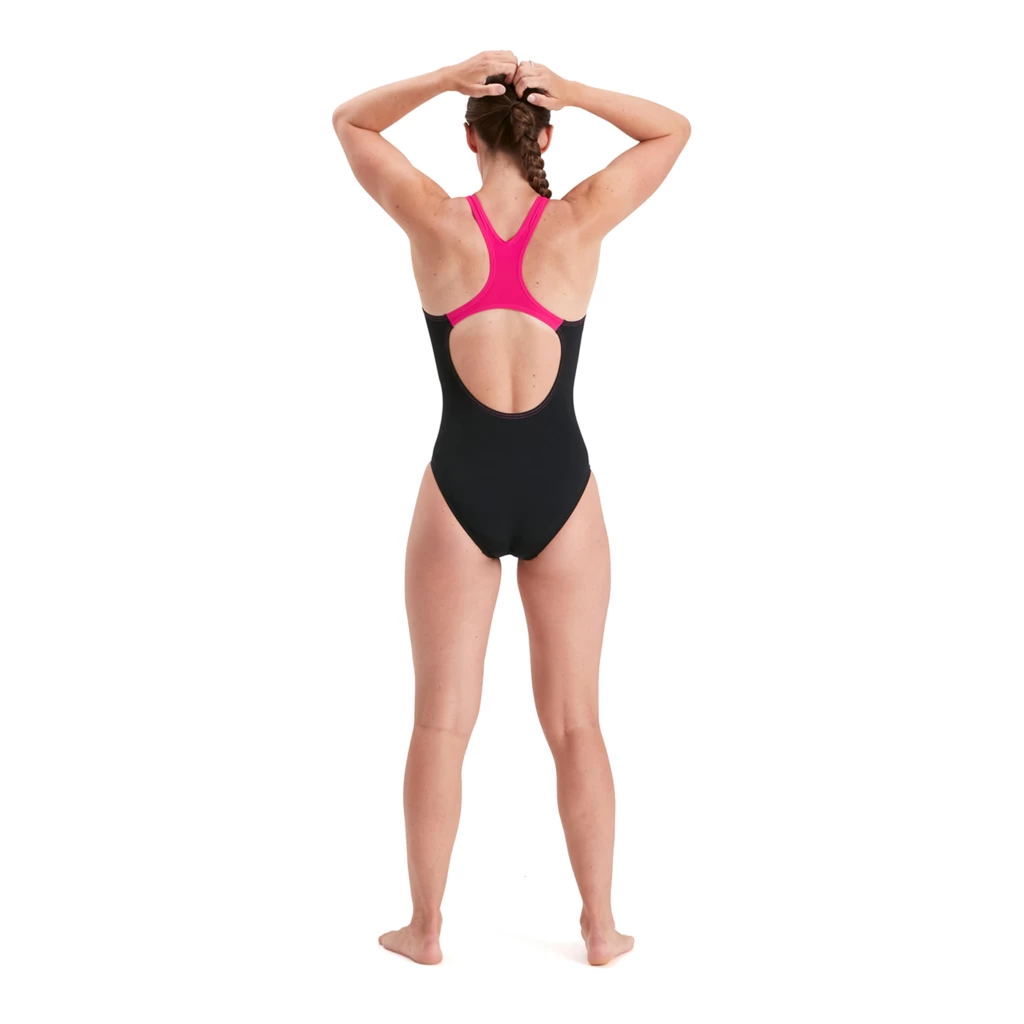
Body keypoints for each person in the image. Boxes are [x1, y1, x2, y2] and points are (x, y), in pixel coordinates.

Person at [330, 51, 690, 966]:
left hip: (461, 486)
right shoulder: (579, 219)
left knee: (440, 723)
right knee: (577, 724)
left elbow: (351, 122)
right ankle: (600, 928)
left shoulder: (432, 219)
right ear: (547, 138)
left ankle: (424, 930)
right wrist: (580, 92)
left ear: (467, 138)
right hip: (561, 486)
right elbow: (672, 131)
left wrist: (443, 77)